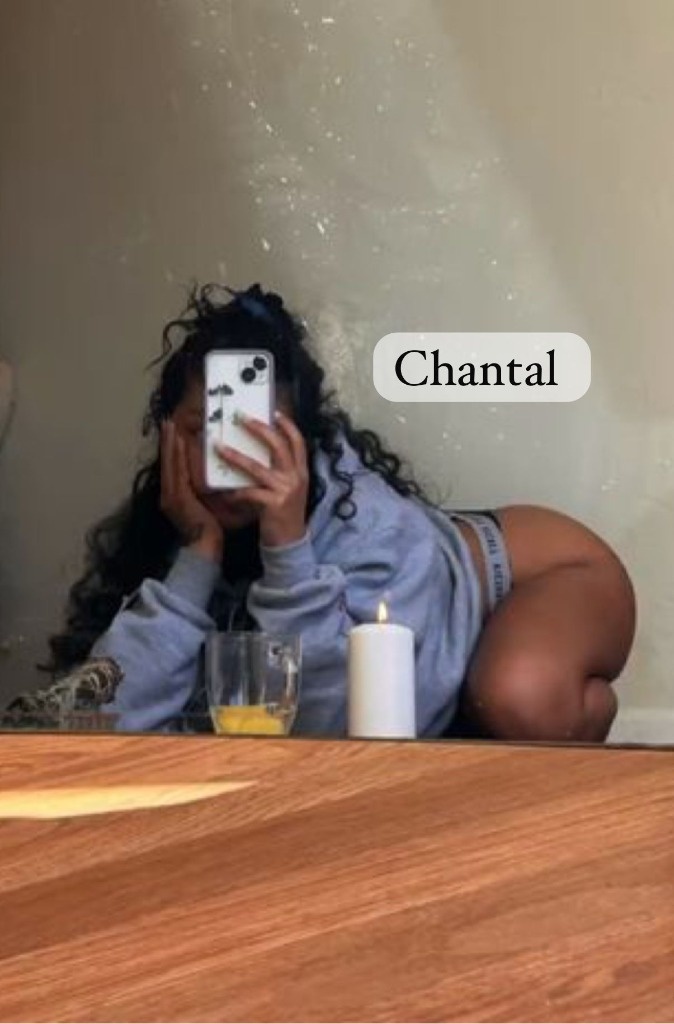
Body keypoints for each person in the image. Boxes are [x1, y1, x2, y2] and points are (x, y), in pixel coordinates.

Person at [46, 284, 635, 741]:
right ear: (167, 434)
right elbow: (105, 727)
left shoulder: (369, 524)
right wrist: (197, 556)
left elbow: (333, 735)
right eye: (203, 431)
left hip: (537, 571)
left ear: (300, 439)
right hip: (435, 599)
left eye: (252, 436)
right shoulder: (169, 531)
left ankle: (579, 705)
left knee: (517, 699)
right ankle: (463, 687)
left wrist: (286, 548)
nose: (227, 462)